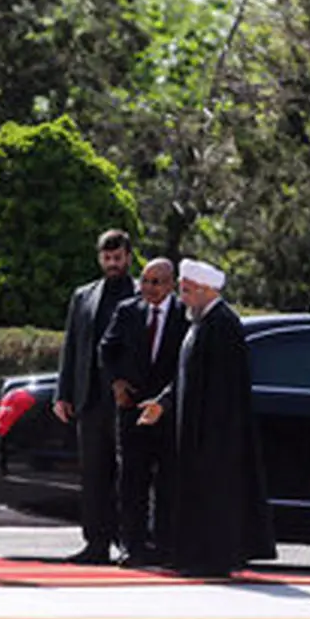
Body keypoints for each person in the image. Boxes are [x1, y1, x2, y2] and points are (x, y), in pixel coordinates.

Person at [138, 259, 275, 578]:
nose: (181, 298)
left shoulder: (223, 325)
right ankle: (194, 556)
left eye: (186, 291)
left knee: (216, 499)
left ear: (203, 290)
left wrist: (210, 438)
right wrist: (163, 403)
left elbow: (223, 391)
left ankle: (214, 559)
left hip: (215, 437)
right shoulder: (201, 323)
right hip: (196, 434)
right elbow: (186, 377)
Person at [53, 229, 138, 565]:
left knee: (128, 476)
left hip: (125, 401)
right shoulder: (83, 296)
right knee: (93, 475)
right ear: (99, 258)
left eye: (118, 258)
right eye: (107, 257)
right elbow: (72, 346)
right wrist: (63, 393)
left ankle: (129, 542)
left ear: (129, 257)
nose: (113, 263)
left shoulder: (141, 293)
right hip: (89, 401)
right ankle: (95, 543)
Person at [98, 257, 186, 567]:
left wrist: (165, 401)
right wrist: (117, 383)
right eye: (146, 281)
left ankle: (164, 546)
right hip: (131, 409)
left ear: (171, 284)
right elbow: (107, 349)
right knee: (131, 480)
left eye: (157, 282)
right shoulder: (127, 311)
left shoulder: (184, 315)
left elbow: (186, 366)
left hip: (168, 413)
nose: (149, 288)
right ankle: (131, 546)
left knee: (168, 482)